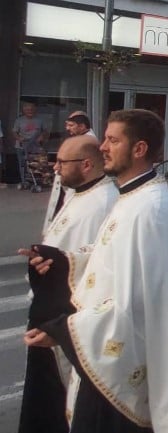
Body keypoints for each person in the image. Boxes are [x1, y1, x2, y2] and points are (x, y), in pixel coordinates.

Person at [21, 109, 168, 432]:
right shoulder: (132, 196)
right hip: (110, 356)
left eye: (112, 140)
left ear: (138, 149)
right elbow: (111, 261)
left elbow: (134, 304)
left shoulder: (148, 209)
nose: (102, 148)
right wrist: (63, 261)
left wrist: (62, 331)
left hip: (123, 367)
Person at [19, 136, 117, 433]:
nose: (55, 167)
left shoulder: (103, 202)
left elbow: (99, 264)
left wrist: (60, 263)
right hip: (50, 298)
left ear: (86, 165)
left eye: (62, 161)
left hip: (67, 309)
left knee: (62, 390)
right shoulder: (78, 193)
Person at [42, 113, 98, 233]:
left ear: (82, 126)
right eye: (67, 125)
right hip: (66, 187)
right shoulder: (78, 139)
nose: (68, 128)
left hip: (74, 188)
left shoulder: (88, 142)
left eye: (71, 125)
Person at [14, 102, 48, 187]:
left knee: (37, 164)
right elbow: (14, 132)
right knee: (22, 164)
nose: (30, 111)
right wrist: (19, 138)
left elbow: (45, 131)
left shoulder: (40, 120)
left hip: (35, 146)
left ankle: (38, 181)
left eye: (31, 109)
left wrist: (42, 136)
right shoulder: (19, 120)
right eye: (27, 110)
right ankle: (24, 181)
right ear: (24, 111)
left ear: (35, 110)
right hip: (22, 146)